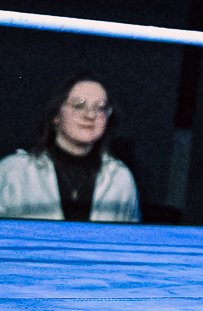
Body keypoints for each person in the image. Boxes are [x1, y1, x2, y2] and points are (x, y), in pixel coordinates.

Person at [0, 73, 141, 223]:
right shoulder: (14, 171)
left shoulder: (120, 177)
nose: (90, 115)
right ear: (55, 115)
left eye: (100, 108)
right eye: (79, 105)